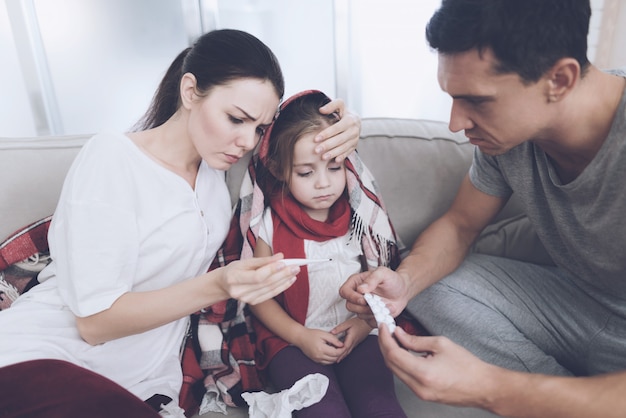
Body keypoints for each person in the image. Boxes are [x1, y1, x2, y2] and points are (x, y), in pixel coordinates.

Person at [0, 29, 361, 418]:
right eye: (235, 119)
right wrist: (218, 284)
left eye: (258, 129)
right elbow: (94, 323)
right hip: (48, 355)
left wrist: (348, 125)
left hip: (144, 383)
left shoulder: (218, 172)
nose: (245, 141)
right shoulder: (112, 157)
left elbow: (298, 140)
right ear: (190, 91)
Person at [339, 1, 626, 417]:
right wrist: (403, 284)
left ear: (559, 80)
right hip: (578, 305)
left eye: (477, 101)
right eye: (454, 98)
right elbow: (459, 225)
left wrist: (492, 388)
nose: (456, 123)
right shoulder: (508, 140)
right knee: (427, 284)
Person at [243, 90, 405, 417]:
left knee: (381, 407)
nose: (323, 184)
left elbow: (379, 281)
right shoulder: (269, 224)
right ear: (278, 169)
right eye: (306, 173)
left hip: (358, 332)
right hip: (291, 339)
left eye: (334, 168)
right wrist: (300, 336)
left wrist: (362, 327)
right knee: (323, 411)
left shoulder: (361, 215)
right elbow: (257, 295)